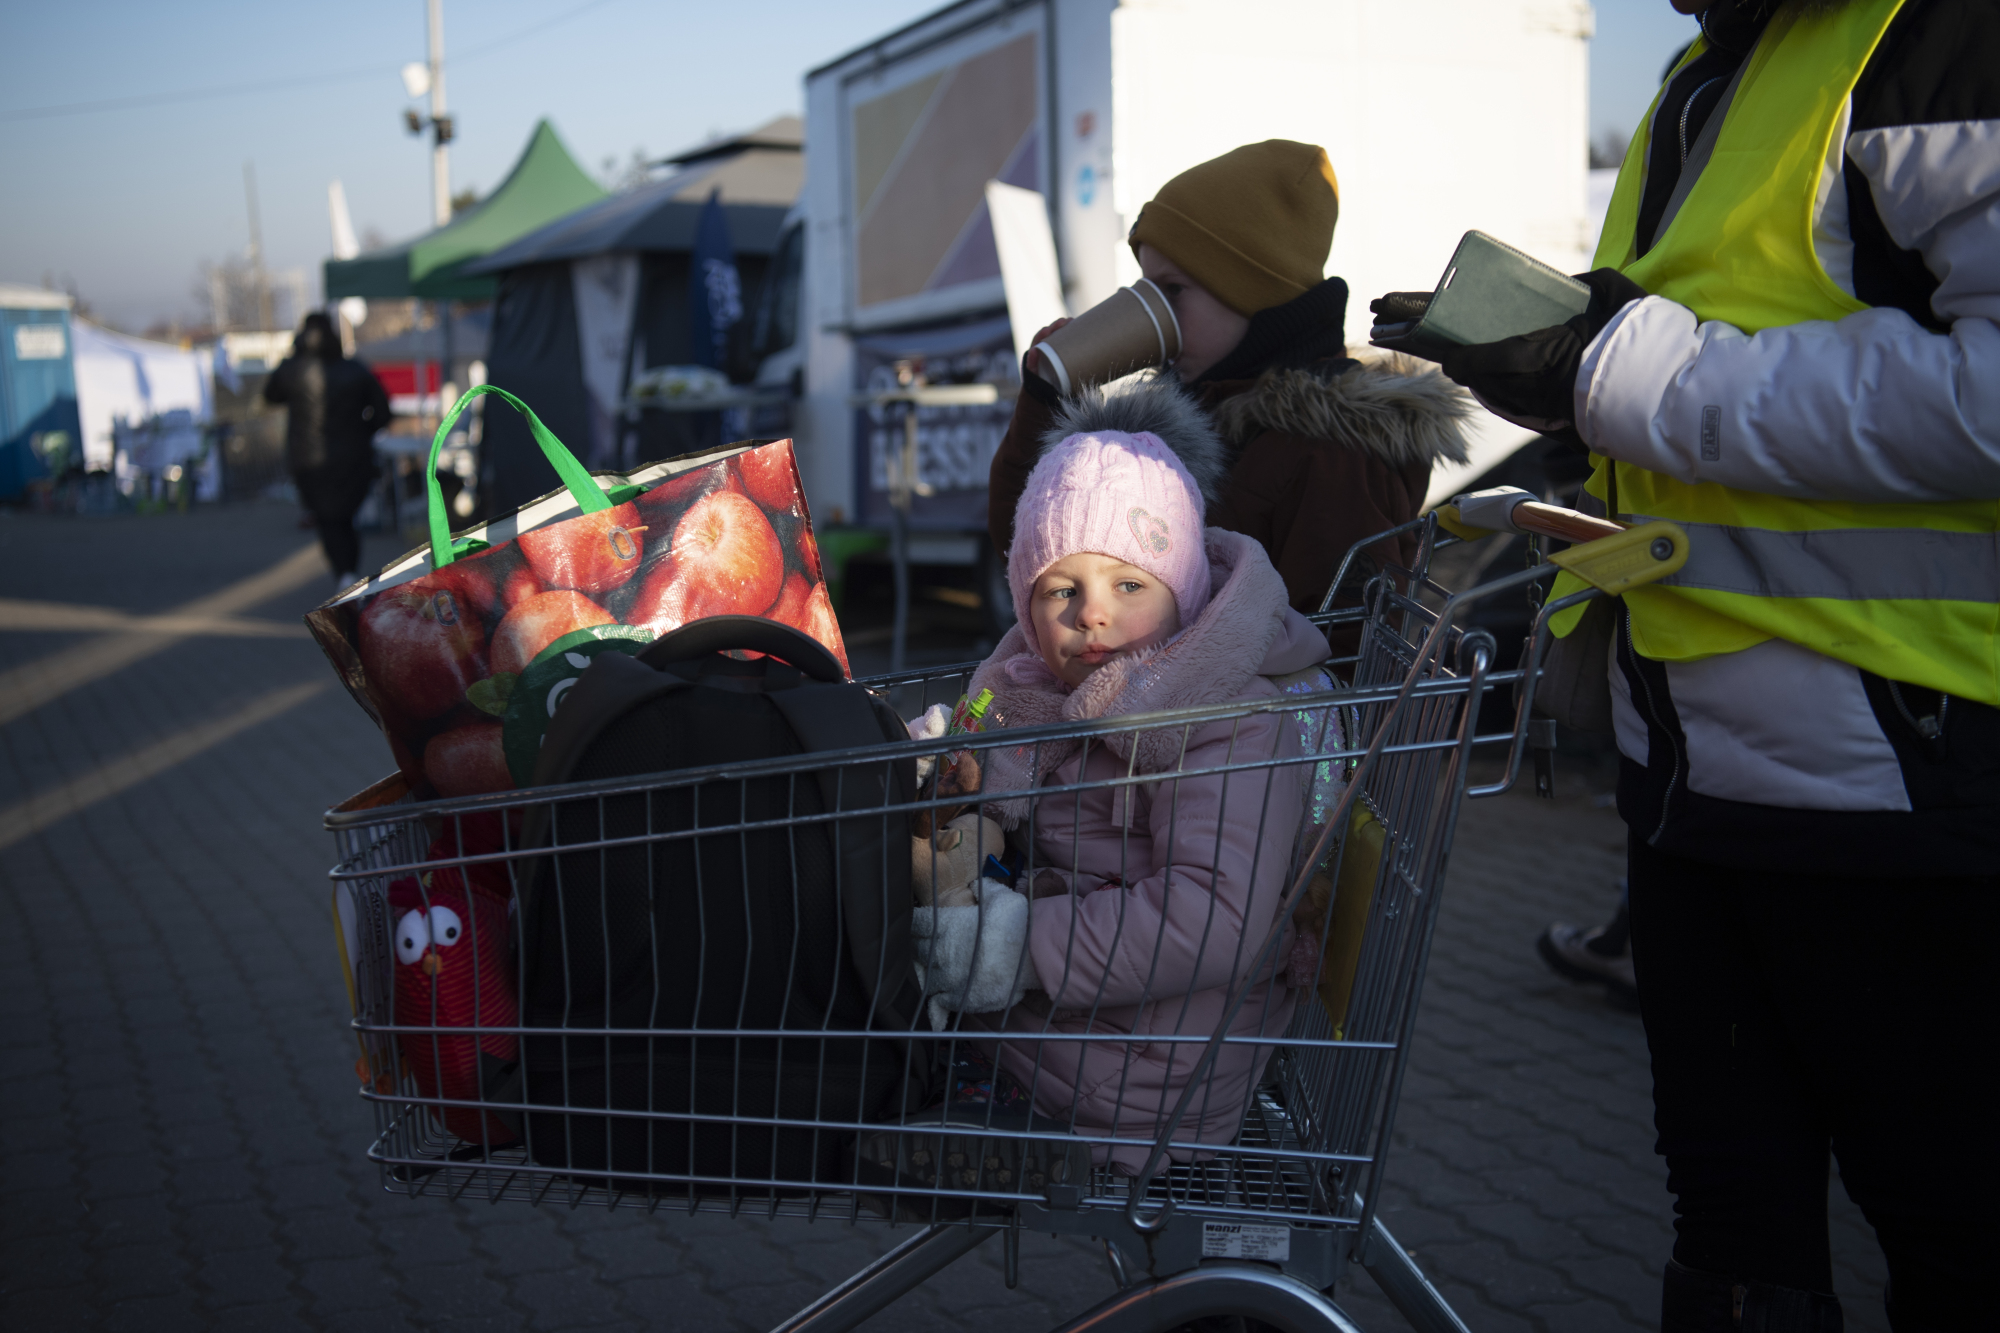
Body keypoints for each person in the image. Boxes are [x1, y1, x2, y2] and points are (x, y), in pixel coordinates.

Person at [1431, 1, 2000, 1327]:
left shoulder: (1942, 40)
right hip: (1689, 775)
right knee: (1733, 1241)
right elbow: (1687, 356)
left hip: (1907, 781)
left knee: (1950, 1230)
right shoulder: (1714, 69)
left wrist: (1609, 360)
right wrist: (1558, 370)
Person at [939, 377, 1326, 1170]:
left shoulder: (1224, 717)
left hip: (1151, 1072)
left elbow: (1213, 915)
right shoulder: (1048, 698)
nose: (1092, 613)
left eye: (1129, 584)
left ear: (1184, 595)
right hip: (1101, 1029)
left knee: (875, 983)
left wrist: (1010, 948)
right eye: (1060, 589)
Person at [986, 140, 1473, 634]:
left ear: (1251, 292)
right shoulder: (1168, 425)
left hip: (1236, 711)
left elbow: (1342, 643)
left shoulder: (1331, 452)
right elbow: (1033, 550)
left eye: (1172, 289)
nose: (1153, 311)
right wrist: (1045, 398)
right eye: (1146, 287)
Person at [265, 312, 391, 588]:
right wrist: (362, 432)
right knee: (345, 518)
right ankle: (348, 572)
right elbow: (383, 412)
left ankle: (343, 573)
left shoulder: (292, 369)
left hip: (307, 459)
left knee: (327, 519)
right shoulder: (355, 369)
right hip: (353, 458)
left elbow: (270, 395)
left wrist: (292, 356)